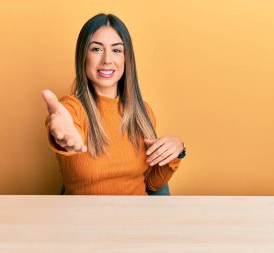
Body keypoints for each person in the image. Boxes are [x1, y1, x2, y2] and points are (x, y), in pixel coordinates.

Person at [42, 13, 186, 195]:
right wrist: (60, 131)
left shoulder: (143, 112)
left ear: (126, 59)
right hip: (85, 220)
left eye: (116, 50)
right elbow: (62, 122)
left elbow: (151, 184)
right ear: (83, 56)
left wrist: (176, 150)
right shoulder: (71, 106)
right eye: (96, 49)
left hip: (137, 219)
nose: (107, 60)